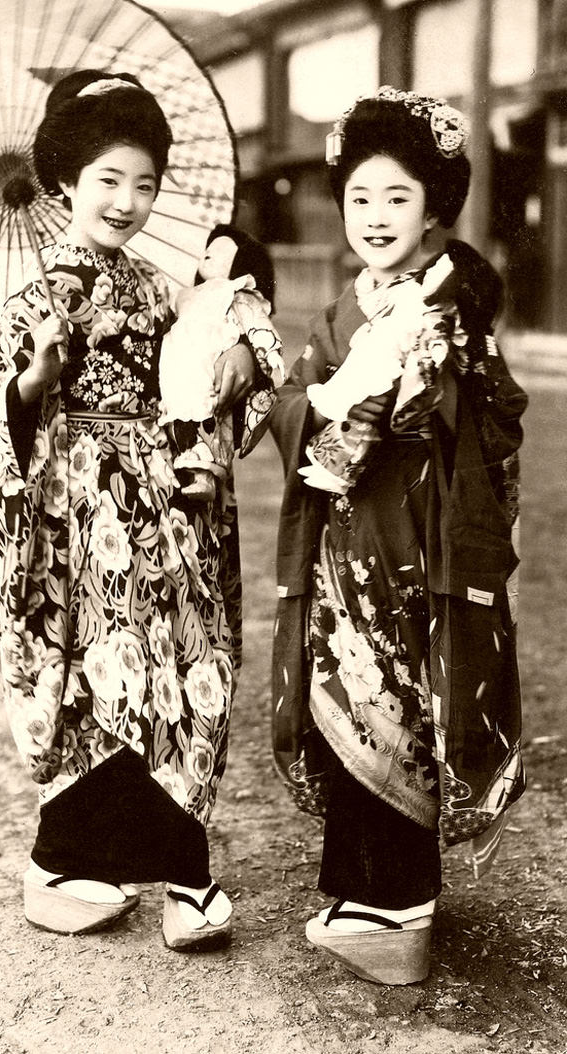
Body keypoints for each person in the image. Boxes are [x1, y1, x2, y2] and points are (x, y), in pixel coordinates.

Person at [0, 69, 268, 947]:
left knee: (183, 662)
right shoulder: (34, 297)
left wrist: (239, 353)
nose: (128, 202)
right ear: (63, 183)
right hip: (75, 509)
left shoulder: (166, 288)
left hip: (170, 506)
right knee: (99, 676)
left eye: (144, 182)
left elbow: (214, 359)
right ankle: (67, 863)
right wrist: (36, 379)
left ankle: (183, 872)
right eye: (108, 180)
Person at [269, 86, 528, 985]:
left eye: (397, 198)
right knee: (347, 703)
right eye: (359, 199)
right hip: (347, 541)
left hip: (414, 540)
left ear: (434, 208)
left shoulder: (447, 307)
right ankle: (357, 896)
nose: (375, 217)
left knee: (402, 705)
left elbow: (491, 420)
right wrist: (325, 404)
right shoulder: (350, 306)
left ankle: (400, 909)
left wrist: (412, 382)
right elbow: (298, 403)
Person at [159, 223, 284, 502]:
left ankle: (206, 473)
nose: (208, 254)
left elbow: (256, 323)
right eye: (208, 250)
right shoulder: (184, 295)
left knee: (210, 408)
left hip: (209, 356)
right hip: (178, 363)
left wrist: (260, 351)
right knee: (180, 408)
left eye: (220, 251)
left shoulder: (235, 291)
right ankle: (190, 465)